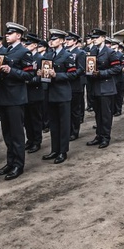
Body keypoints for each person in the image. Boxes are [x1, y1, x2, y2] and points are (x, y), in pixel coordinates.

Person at [0, 22, 33, 181]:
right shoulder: (5, 51)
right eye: (7, 33)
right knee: (7, 134)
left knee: (16, 134)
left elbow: (29, 75)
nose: (7, 35)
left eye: (10, 33)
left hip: (16, 98)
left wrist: (11, 71)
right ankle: (10, 162)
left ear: (19, 35)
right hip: (3, 96)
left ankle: (18, 164)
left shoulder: (24, 52)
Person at [39, 29, 78, 164]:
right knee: (54, 124)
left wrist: (57, 75)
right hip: (50, 93)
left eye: (54, 39)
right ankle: (54, 149)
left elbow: (73, 74)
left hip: (62, 94)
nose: (51, 41)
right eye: (51, 39)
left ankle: (63, 151)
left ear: (61, 41)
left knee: (64, 124)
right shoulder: (49, 55)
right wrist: (41, 73)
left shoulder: (68, 55)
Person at [85, 28, 121, 148]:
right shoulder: (92, 51)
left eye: (96, 38)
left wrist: (101, 73)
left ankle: (106, 137)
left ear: (103, 38)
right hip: (95, 87)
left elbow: (116, 69)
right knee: (98, 114)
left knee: (106, 114)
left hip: (106, 87)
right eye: (93, 38)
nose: (94, 40)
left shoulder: (110, 52)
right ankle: (99, 135)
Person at [23, 33, 45, 152]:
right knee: (27, 119)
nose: (26, 46)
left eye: (28, 44)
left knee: (35, 119)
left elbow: (42, 76)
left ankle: (37, 141)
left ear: (35, 45)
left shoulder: (40, 59)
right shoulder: (26, 57)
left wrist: (29, 80)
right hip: (25, 92)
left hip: (35, 92)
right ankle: (30, 139)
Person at [65, 32, 86, 141]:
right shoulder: (64, 52)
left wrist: (70, 75)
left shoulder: (79, 53)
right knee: (67, 111)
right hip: (65, 85)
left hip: (75, 85)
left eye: (69, 40)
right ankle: (68, 130)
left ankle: (74, 131)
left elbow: (81, 69)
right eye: (66, 39)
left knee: (75, 110)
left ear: (74, 41)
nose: (66, 41)